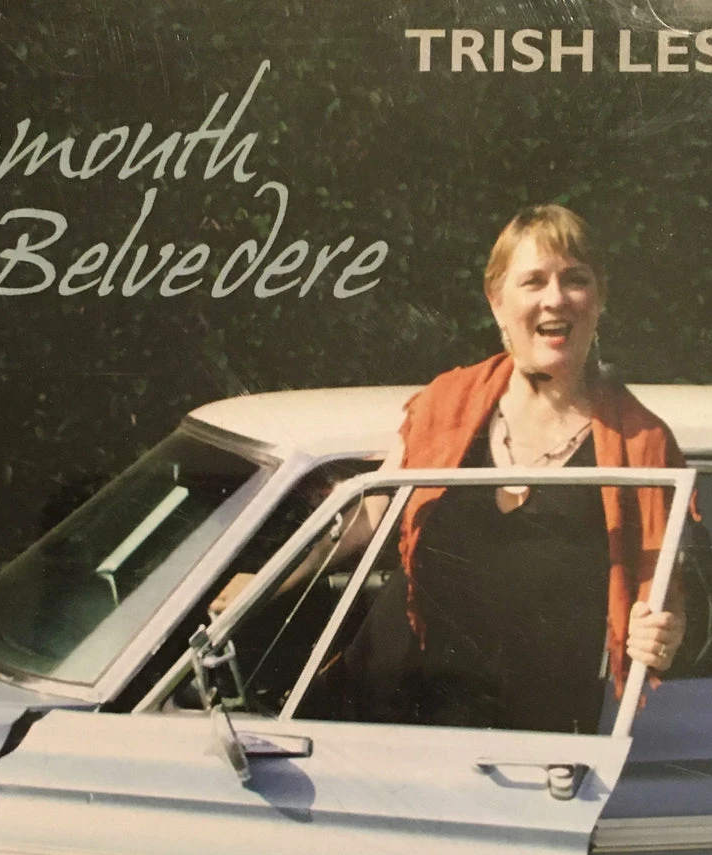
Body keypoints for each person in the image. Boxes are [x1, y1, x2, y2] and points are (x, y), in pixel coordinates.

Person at [213, 204, 687, 732]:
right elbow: (368, 516)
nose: (555, 298)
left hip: (526, 735)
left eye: (575, 279)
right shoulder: (449, 403)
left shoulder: (642, 443)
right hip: (383, 704)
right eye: (533, 281)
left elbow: (663, 586)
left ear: (599, 298)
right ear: (497, 301)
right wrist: (270, 579)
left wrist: (663, 636)